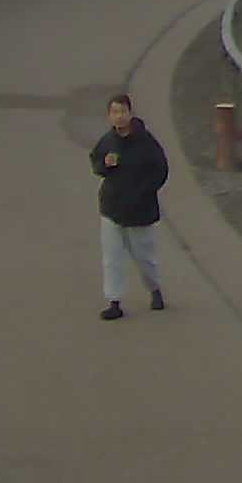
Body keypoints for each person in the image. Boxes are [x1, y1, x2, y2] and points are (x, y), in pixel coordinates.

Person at [89, 93, 170, 320]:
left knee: (144, 257)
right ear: (109, 116)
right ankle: (114, 301)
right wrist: (104, 165)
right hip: (111, 207)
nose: (119, 116)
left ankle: (155, 289)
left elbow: (161, 170)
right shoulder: (107, 141)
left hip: (139, 211)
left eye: (122, 111)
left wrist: (143, 192)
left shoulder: (146, 142)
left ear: (130, 113)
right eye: (114, 112)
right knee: (112, 258)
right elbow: (96, 163)